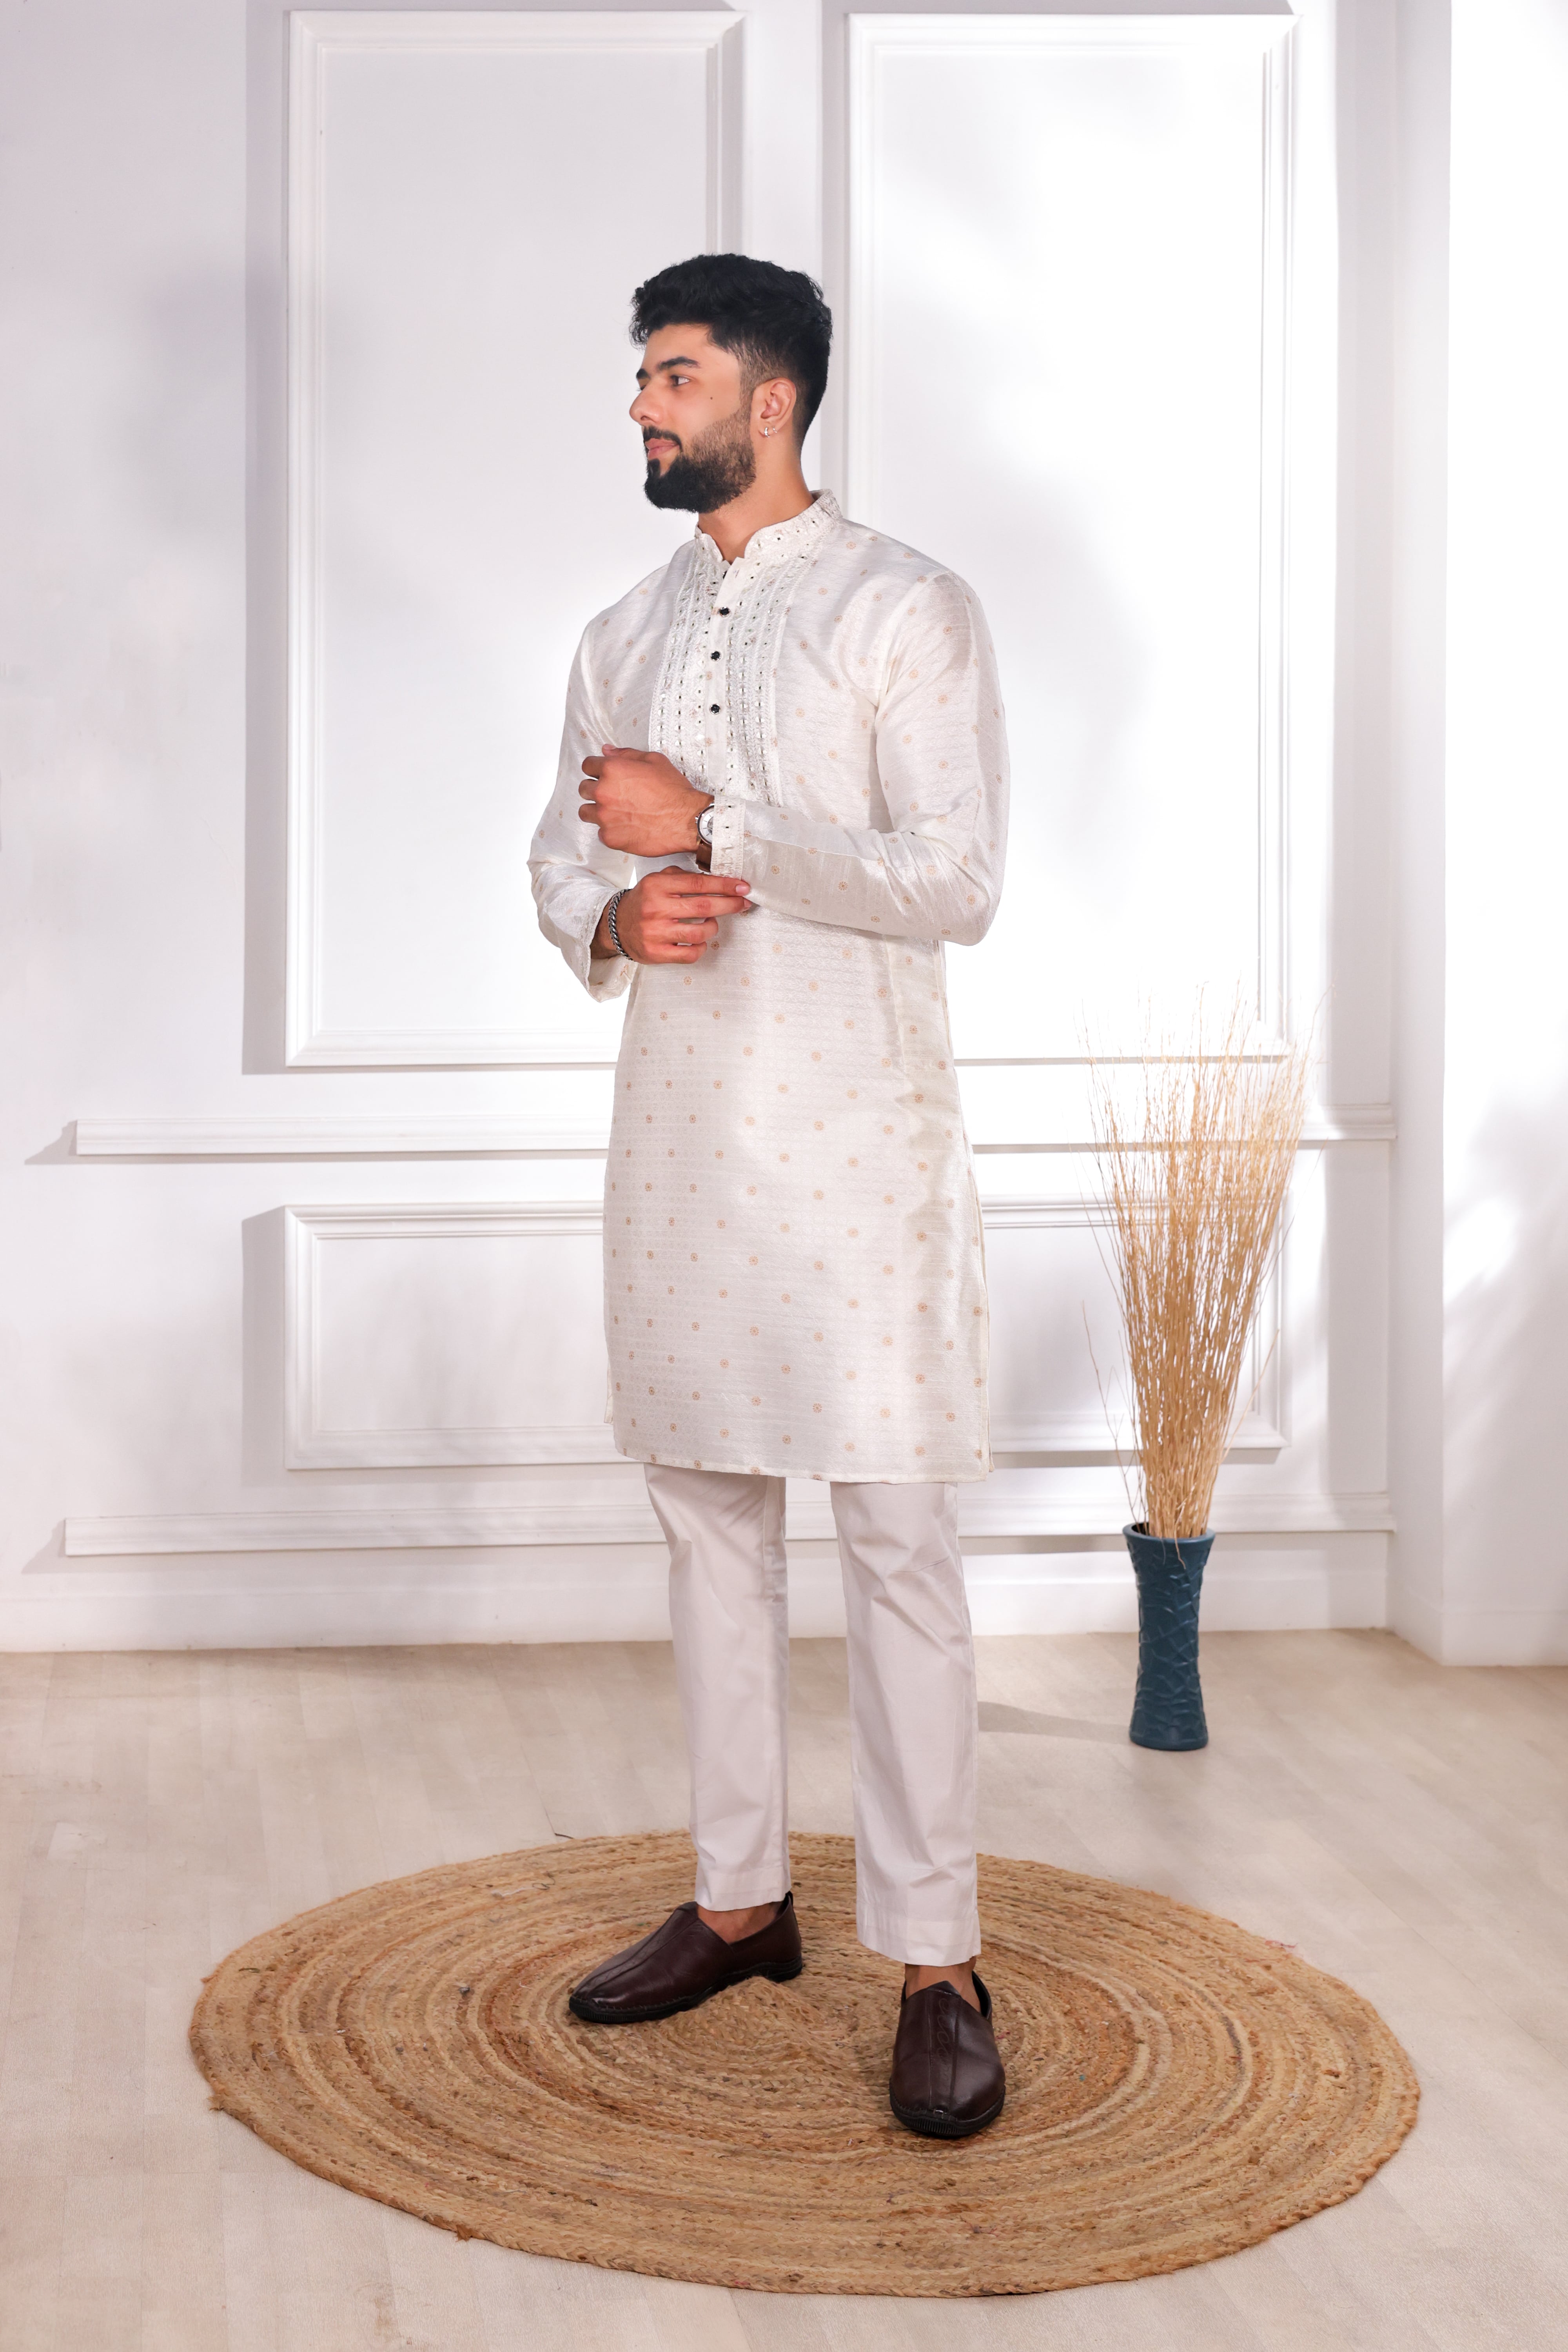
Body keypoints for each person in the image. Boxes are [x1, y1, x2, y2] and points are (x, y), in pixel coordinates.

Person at [528, 253, 1010, 2137]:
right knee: (709, 1526)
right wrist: (614, 913)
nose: (641, 406)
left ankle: (938, 1958)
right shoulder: (621, 629)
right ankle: (739, 1900)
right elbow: (557, 856)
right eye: (643, 377)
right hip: (684, 1142)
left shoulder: (907, 607)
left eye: (672, 375)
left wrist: (718, 827)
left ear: (771, 396)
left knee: (895, 1541)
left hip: (863, 1143)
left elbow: (957, 880)